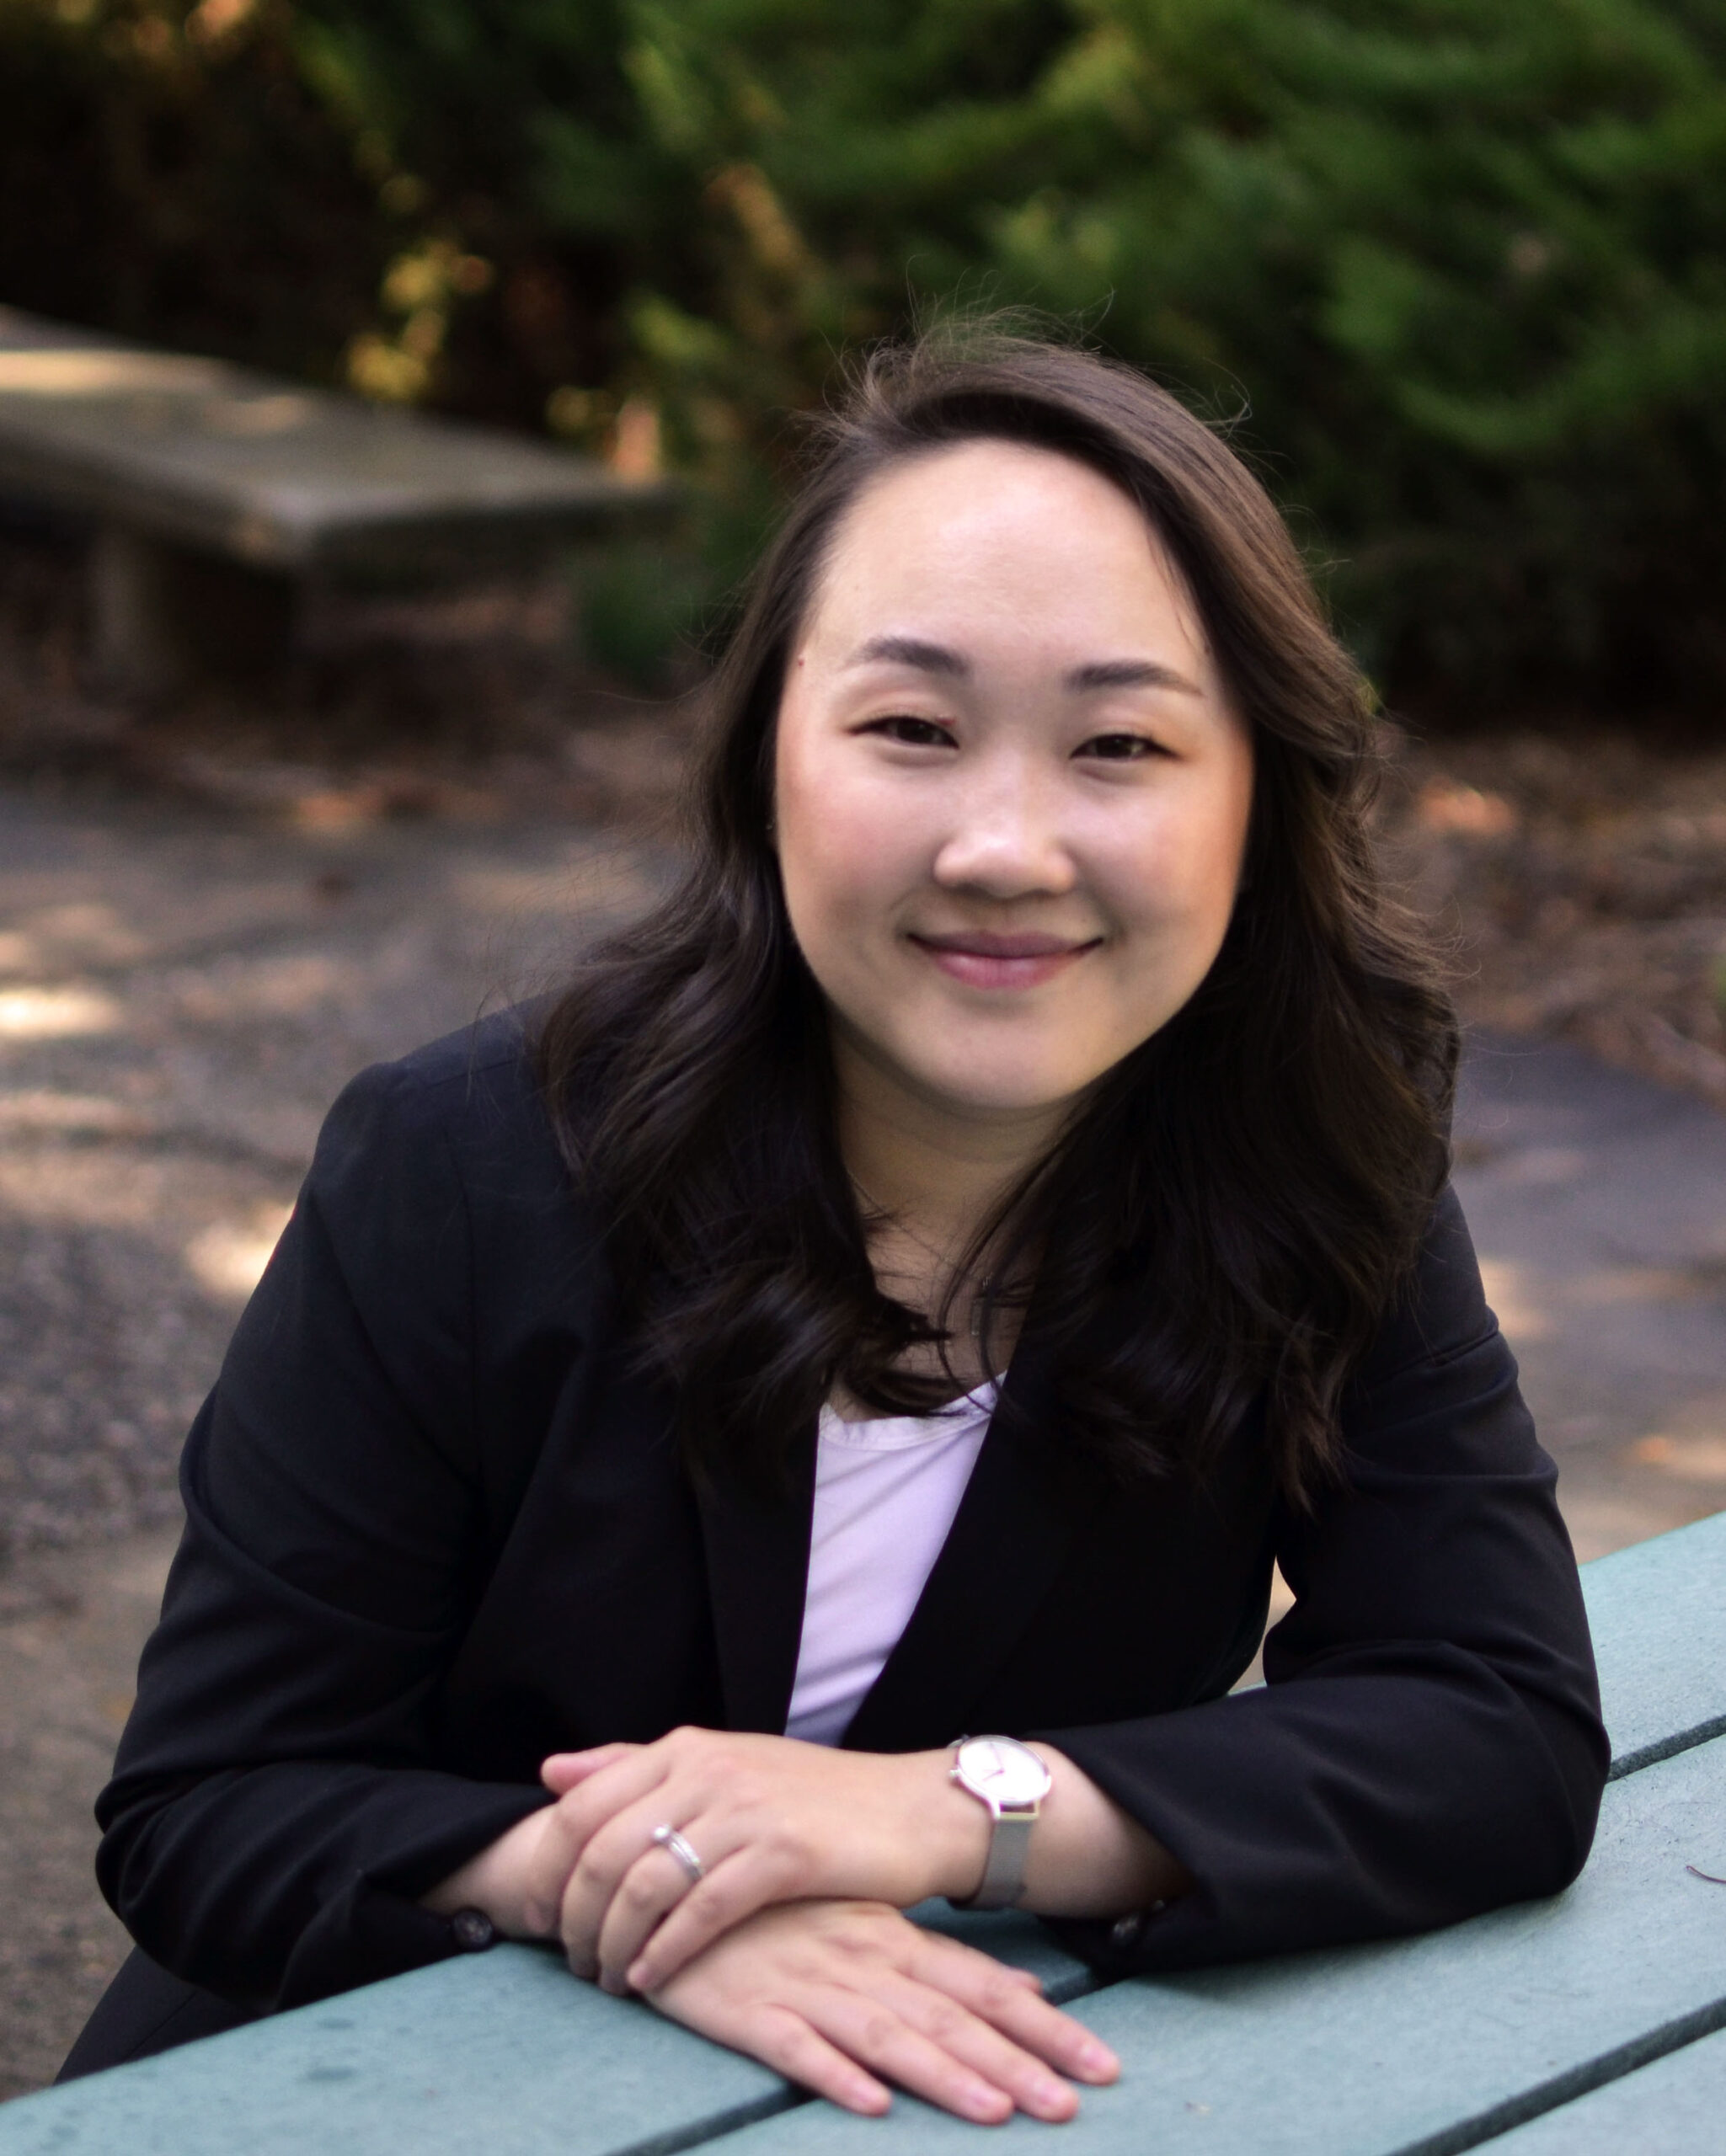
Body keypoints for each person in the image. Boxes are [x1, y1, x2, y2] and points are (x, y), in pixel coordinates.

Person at [62, 328, 1606, 2123]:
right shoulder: (459, 1166)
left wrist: (946, 1810)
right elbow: (209, 1810)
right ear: (764, 762)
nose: (1003, 842)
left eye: (1119, 741)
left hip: (948, 2095)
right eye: (909, 729)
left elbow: (1493, 1719)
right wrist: (618, 1888)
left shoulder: (1312, 1141)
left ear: (1253, 796)